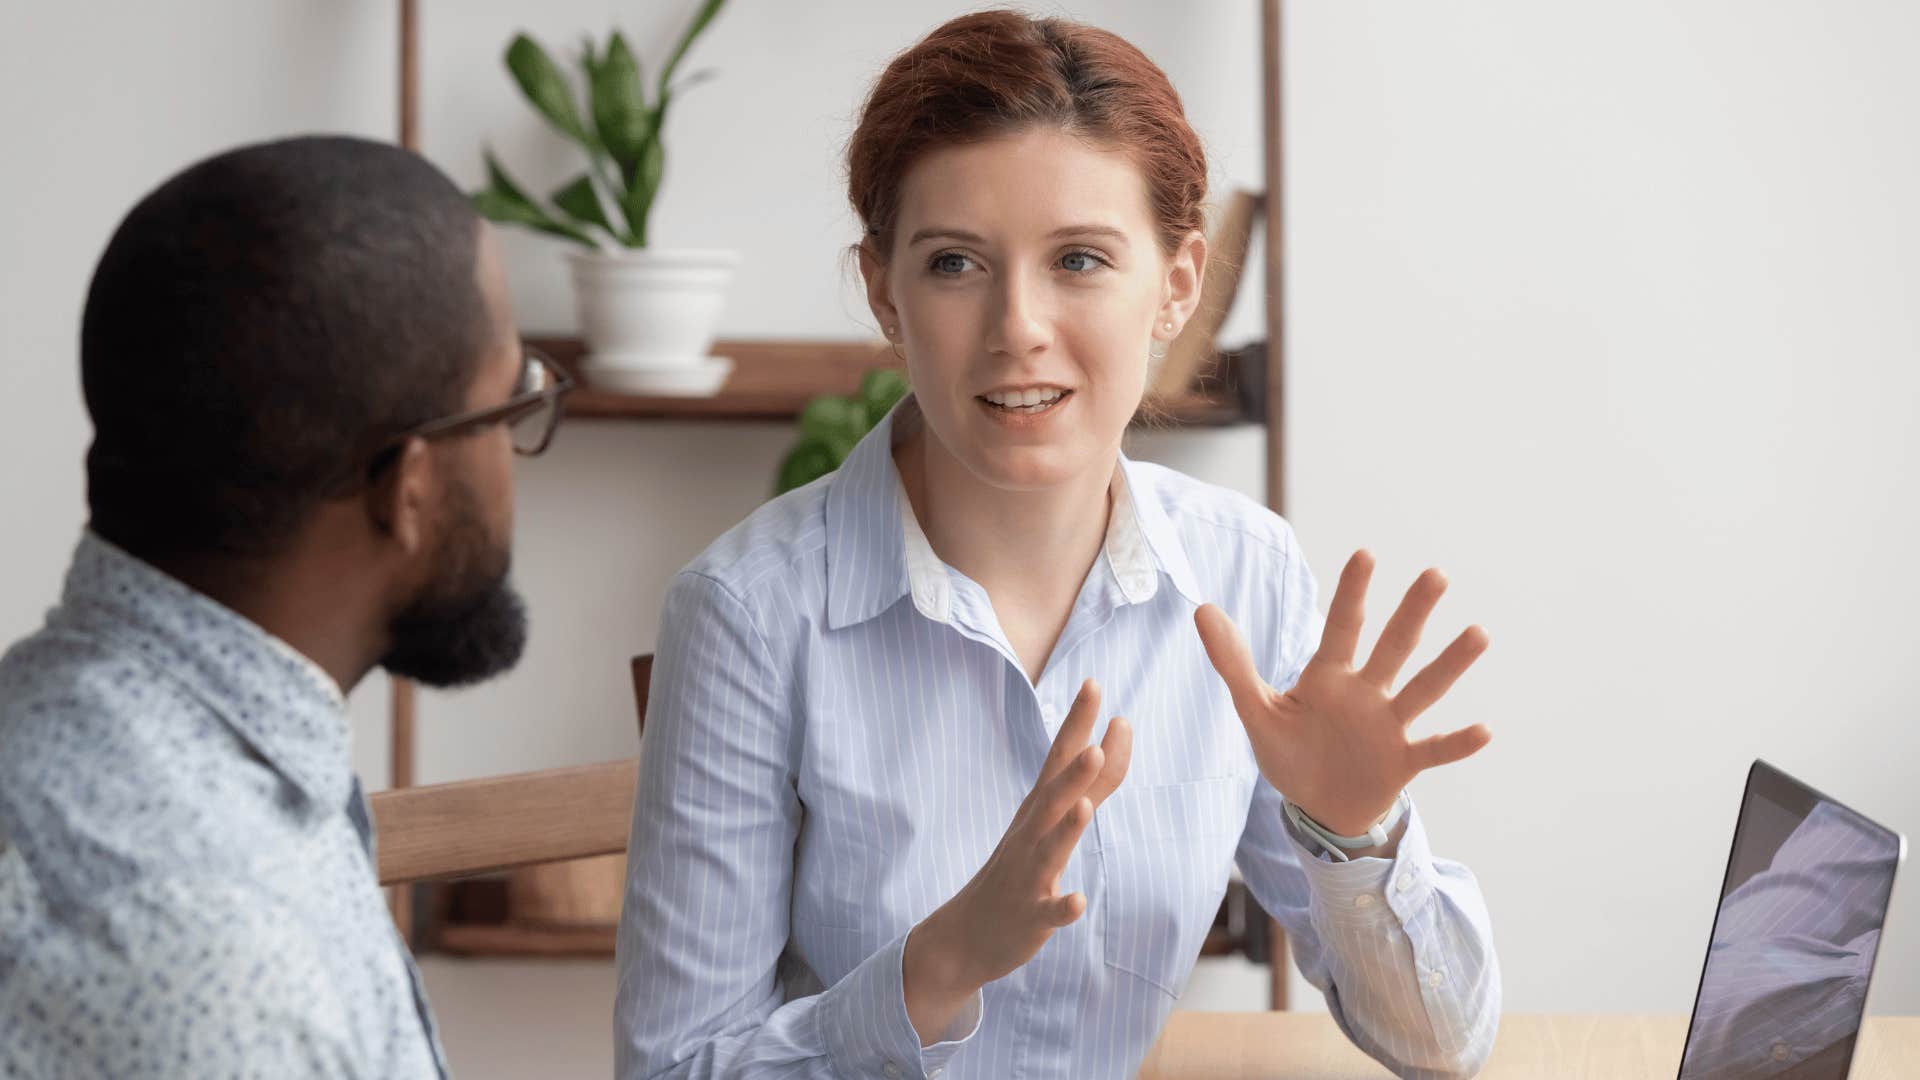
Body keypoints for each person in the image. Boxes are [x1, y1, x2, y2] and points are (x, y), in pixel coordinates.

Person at [615, 12, 1499, 1080]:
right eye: (953, 264)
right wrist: (933, 969)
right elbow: (671, 1070)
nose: (1016, 326)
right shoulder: (748, 612)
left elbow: (1443, 1048)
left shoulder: (1245, 578)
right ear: (883, 292)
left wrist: (1353, 837)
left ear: (1176, 286)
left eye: (1079, 259)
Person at [0, 135, 571, 1077]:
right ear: (411, 488)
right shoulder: (213, 959)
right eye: (509, 404)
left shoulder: (67, 731)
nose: (518, 452)